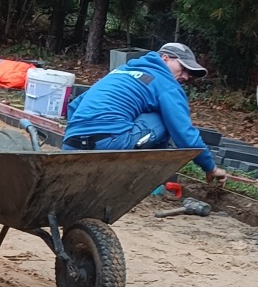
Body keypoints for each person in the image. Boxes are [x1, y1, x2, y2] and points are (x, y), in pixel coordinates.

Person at [62, 42, 227, 188]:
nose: (185, 76)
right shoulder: (166, 83)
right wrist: (210, 167)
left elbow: (75, 106)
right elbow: (184, 134)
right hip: (110, 144)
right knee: (165, 117)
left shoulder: (121, 72)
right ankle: (150, 177)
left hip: (71, 144)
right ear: (165, 58)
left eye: (189, 73)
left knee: (149, 111)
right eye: (183, 67)